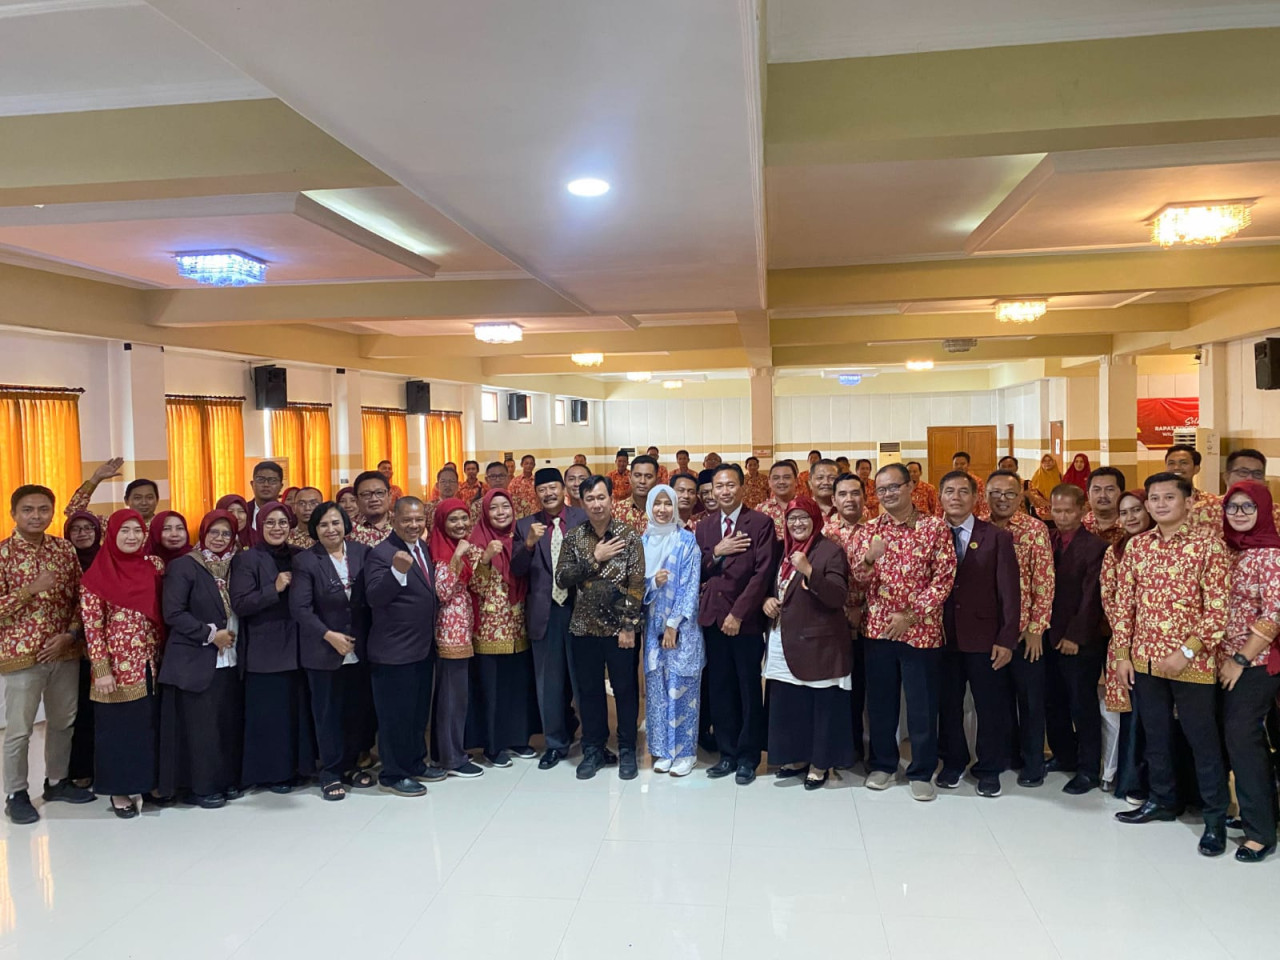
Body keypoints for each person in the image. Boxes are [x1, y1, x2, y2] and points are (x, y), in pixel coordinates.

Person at [1111, 472, 1231, 857]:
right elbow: (1124, 604)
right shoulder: (1138, 546)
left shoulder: (1208, 546)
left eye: (1169, 497)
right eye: (1154, 498)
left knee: (1202, 740)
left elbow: (1218, 610)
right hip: (1145, 660)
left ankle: (1215, 818)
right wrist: (1122, 655)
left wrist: (1187, 653)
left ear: (1188, 502)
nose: (1160, 504)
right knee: (1156, 735)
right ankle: (1162, 800)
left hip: (1192, 663)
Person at [852, 464, 957, 801]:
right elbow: (857, 582)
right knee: (881, 703)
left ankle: (922, 771)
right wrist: (869, 560)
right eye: (881, 489)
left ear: (911, 487)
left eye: (894, 487)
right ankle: (883, 764)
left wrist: (909, 616)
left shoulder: (934, 528)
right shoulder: (869, 530)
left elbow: (944, 580)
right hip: (878, 631)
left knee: (922, 705)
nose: (888, 494)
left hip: (921, 632)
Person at [2, 486, 94, 824]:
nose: (36, 516)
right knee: (19, 729)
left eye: (43, 509)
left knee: (62, 721)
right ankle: (16, 793)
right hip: (21, 654)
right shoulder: (3, 554)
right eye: (28, 509)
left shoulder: (63, 549)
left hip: (63, 651)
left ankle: (56, 782)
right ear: (14, 513)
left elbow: (80, 598)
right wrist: (29, 590)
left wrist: (70, 635)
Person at [555, 475, 645, 780]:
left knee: (625, 690)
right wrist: (594, 558)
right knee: (590, 692)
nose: (596, 504)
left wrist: (629, 624)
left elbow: (636, 584)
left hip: (621, 630)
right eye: (590, 499)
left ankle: (628, 748)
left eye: (601, 497)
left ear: (611, 499)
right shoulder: (574, 537)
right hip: (584, 628)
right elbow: (562, 579)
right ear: (581, 502)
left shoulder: (629, 536)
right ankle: (593, 749)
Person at [936, 471, 1019, 798]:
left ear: (975, 498)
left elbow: (1010, 592)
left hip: (985, 637)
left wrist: (1006, 638)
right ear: (940, 497)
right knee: (948, 705)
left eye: (962, 491)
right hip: (941, 636)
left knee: (989, 706)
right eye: (949, 491)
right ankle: (953, 762)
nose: (955, 497)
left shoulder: (996, 537)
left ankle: (989, 768)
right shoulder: (931, 534)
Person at [80, 509, 165, 817]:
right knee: (117, 731)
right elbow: (92, 627)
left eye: (137, 530)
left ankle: (147, 783)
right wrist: (102, 670)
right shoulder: (96, 576)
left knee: (148, 728)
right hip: (116, 669)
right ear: (112, 534)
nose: (132, 536)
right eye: (125, 530)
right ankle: (119, 791)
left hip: (151, 663)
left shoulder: (153, 566)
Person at [696, 463, 778, 786]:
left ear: (742, 487)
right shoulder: (704, 526)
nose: (725, 491)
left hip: (745, 622)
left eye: (731, 485)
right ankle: (727, 752)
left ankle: (747, 756)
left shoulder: (759, 523)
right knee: (719, 688)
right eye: (719, 486)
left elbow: (763, 573)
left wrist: (739, 613)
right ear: (712, 491)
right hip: (713, 619)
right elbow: (699, 570)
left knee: (747, 688)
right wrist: (717, 552)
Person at [764, 497, 854, 790]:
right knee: (792, 702)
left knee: (821, 705)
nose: (798, 523)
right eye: (792, 518)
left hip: (819, 644)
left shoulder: (830, 551)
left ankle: (820, 763)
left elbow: (837, 597)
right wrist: (767, 601)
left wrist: (810, 571)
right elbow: (774, 587)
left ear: (816, 519)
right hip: (784, 638)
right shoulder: (783, 549)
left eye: (804, 517)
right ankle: (798, 757)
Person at [290, 502, 377, 800]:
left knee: (355, 710)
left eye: (336, 522)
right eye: (324, 524)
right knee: (327, 713)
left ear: (345, 525)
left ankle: (352, 765)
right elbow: (300, 608)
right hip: (323, 649)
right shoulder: (306, 561)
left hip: (359, 648)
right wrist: (329, 636)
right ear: (315, 529)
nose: (331, 529)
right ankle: (330, 771)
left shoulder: (362, 553)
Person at [158, 510, 244, 808]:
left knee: (226, 724)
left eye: (226, 533)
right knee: (201, 728)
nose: (219, 538)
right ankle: (202, 787)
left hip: (231, 658)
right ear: (203, 533)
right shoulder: (185, 566)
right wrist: (209, 634)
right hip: (196, 658)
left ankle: (225, 780)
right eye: (213, 532)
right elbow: (173, 613)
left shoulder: (236, 565)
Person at [231, 502, 315, 793]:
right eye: (270, 523)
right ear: (260, 525)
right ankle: (273, 773)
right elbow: (240, 604)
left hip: (299, 646)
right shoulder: (247, 559)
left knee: (296, 711)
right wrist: (273, 589)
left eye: (282, 522)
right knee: (270, 715)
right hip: (265, 649)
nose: (277, 528)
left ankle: (299, 768)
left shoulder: (300, 556)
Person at [363, 496, 443, 796]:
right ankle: (393, 774)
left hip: (422, 648)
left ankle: (415, 763)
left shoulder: (422, 546)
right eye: (407, 519)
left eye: (418, 519)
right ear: (394, 520)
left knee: (417, 714)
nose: (413, 525)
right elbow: (374, 597)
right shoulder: (381, 553)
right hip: (393, 651)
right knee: (395, 717)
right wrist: (396, 572)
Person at [1218, 482, 1280, 862]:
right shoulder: (1227, 549)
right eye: (1232, 506)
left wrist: (1240, 659)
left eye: (1248, 506)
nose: (1239, 513)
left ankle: (1260, 833)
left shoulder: (1271, 554)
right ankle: (1256, 813)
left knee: (1243, 737)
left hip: (1255, 662)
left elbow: (1275, 613)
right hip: (1222, 660)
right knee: (1234, 739)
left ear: (1264, 510)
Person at [512, 468, 586, 770]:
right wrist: (528, 544)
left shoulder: (582, 518)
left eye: (553, 487)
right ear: (536, 494)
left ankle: (593, 742)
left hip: (580, 610)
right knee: (549, 684)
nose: (548, 493)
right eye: (542, 489)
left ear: (564, 489)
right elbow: (517, 569)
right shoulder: (525, 525)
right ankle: (555, 743)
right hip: (545, 614)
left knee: (584, 681)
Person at [985, 470, 1054, 788]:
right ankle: (1006, 755)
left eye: (1010, 494)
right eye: (995, 493)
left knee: (1030, 700)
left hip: (1026, 632)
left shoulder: (1034, 529)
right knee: (997, 700)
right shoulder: (979, 526)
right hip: (990, 633)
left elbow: (1044, 580)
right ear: (985, 495)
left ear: (1020, 497)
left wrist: (1037, 628)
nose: (1002, 499)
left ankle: (1033, 762)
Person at [1043, 483, 1109, 795]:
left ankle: (1088, 768)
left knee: (1081, 704)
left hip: (1079, 640)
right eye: (1056, 510)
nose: (1062, 516)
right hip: (1047, 635)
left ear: (1083, 510)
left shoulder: (1095, 546)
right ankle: (1063, 755)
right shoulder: (1047, 539)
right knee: (1053, 700)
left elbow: (1092, 596)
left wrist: (1075, 636)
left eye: (1068, 511)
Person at [465, 490, 539, 766]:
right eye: (494, 508)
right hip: (489, 629)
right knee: (491, 689)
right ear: (485, 512)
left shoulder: (520, 538)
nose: (500, 512)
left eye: (505, 506)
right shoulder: (475, 542)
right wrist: (485, 558)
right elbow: (474, 585)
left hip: (519, 625)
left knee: (517, 685)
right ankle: (493, 746)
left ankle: (518, 739)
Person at [641, 485, 703, 777]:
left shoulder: (686, 540)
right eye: (658, 504)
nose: (663, 509)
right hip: (652, 630)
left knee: (682, 688)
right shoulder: (643, 541)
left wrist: (672, 625)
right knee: (657, 691)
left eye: (668, 503)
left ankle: (685, 753)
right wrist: (653, 582)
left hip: (682, 630)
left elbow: (691, 585)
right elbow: (633, 583)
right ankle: (663, 751)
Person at [1098, 489, 1152, 801]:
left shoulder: (1170, 548)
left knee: (1157, 717)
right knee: (1131, 718)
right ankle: (1132, 781)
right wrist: (1126, 645)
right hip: (1125, 646)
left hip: (1165, 649)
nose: (1130, 517)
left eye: (1136, 510)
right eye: (1125, 512)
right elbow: (1111, 601)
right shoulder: (1114, 552)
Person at [426, 498, 484, 779]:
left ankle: (450, 752)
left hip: (462, 632)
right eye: (453, 519)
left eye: (464, 518)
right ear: (441, 522)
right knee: (452, 698)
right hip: (450, 635)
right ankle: (451, 758)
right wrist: (458, 556)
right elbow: (443, 592)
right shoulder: (441, 551)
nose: (460, 524)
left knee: (457, 697)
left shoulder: (454, 546)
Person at [823, 473, 868, 766]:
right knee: (836, 690)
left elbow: (891, 578)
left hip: (871, 623)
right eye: (843, 494)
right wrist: (842, 610)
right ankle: (840, 748)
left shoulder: (878, 531)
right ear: (834, 499)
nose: (849, 499)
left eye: (855, 493)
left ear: (864, 497)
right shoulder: (824, 534)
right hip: (833, 623)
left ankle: (866, 749)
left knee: (868, 689)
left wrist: (861, 608)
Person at [64, 510, 102, 787]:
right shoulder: (62, 562)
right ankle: (80, 768)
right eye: (75, 529)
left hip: (103, 648)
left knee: (103, 710)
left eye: (88, 527)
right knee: (78, 711)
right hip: (70, 648)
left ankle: (105, 766)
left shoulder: (107, 560)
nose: (82, 533)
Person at [1164, 443, 1223, 537]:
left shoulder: (1213, 503)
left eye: (1183, 463)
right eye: (1171, 463)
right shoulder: (1157, 503)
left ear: (1196, 468)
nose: (1176, 467)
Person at [1223, 449, 1280, 529]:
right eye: (1243, 472)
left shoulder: (1276, 514)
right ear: (1226, 477)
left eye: (1257, 474)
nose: (1250, 478)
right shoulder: (1209, 509)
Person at [612, 454, 659, 533]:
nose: (642, 481)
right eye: (637, 476)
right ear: (630, 478)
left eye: (648, 476)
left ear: (657, 480)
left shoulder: (663, 511)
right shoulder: (616, 510)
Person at [348, 470, 394, 547]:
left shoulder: (402, 524)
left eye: (379, 493)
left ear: (389, 496)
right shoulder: (347, 528)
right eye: (366, 494)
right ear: (356, 500)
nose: (374, 499)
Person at [1083, 467, 1127, 546]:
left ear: (1122, 494)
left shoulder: (1131, 525)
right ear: (1088, 495)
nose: (1103, 495)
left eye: (1110, 489)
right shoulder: (1079, 526)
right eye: (1097, 490)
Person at [759, 460, 798, 540]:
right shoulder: (761, 510)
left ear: (796, 481)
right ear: (769, 482)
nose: (781, 482)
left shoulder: (808, 507)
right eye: (776, 478)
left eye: (787, 477)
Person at [248, 461, 285, 526]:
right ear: (252, 484)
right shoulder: (243, 511)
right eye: (261, 480)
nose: (266, 485)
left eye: (272, 480)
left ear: (281, 486)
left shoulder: (287, 512)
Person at [425, 467, 460, 532]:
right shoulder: (428, 508)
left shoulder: (462, 507)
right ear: (437, 485)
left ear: (457, 485)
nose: (447, 485)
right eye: (443, 481)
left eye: (452, 481)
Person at [507, 454, 540, 519]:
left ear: (534, 465)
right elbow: (510, 497)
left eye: (531, 464)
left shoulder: (538, 481)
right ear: (521, 464)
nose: (529, 466)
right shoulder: (515, 482)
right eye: (526, 463)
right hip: (521, 517)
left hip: (536, 515)